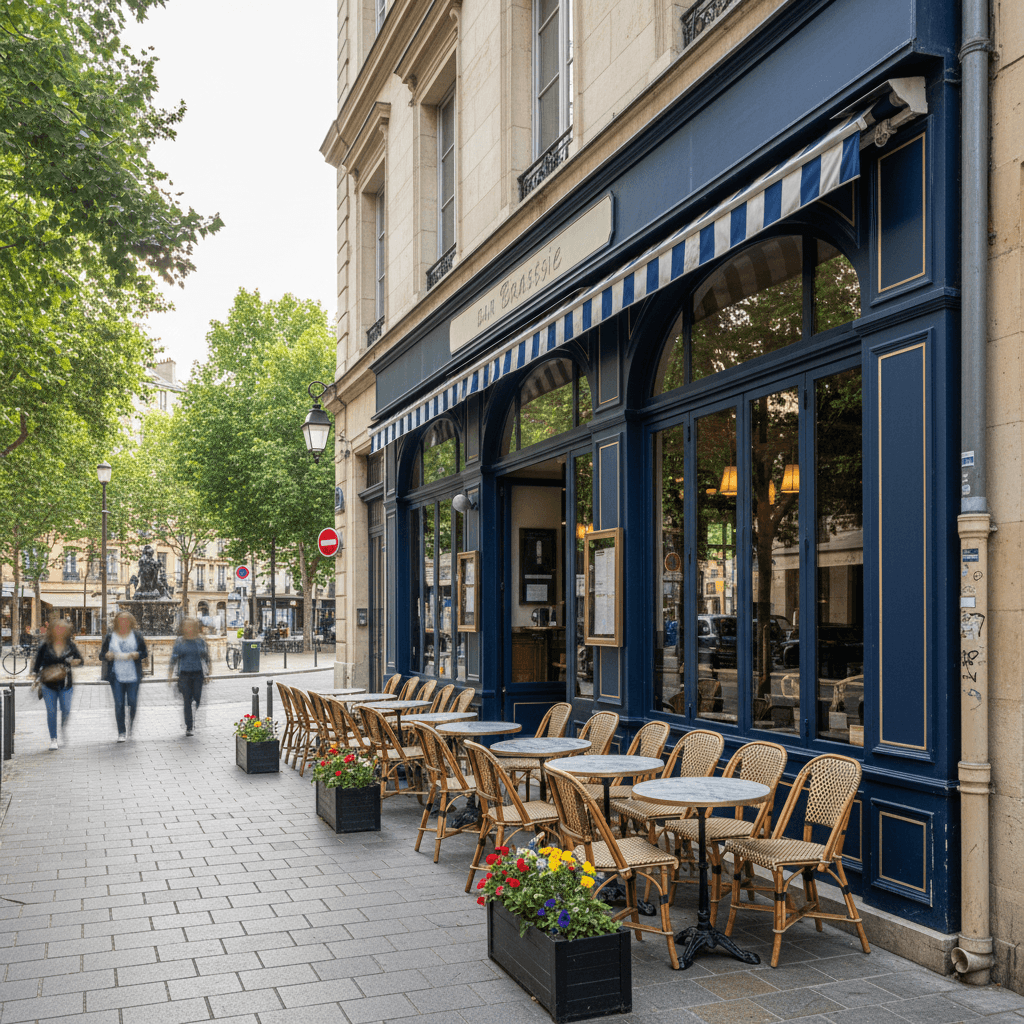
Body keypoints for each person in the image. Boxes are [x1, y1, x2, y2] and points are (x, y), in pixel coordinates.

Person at [31, 618, 82, 751]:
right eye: (57, 628)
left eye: (63, 629)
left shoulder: (70, 645)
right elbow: (37, 663)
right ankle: (53, 738)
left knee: (66, 709)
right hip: (48, 683)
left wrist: (75, 661)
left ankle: (63, 726)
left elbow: (80, 660)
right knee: (51, 711)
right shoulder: (45, 645)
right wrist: (34, 675)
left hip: (65, 683)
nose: (60, 631)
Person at [100, 611, 148, 741]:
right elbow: (101, 655)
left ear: (130, 622)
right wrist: (107, 655)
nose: (123, 623)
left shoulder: (137, 635)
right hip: (116, 675)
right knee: (119, 703)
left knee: (132, 701)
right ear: (116, 622)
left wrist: (138, 654)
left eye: (126, 620)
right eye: (120, 620)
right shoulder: (110, 636)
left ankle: (131, 723)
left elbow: (144, 652)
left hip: (133, 675)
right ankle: (121, 731)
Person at [169, 617, 210, 737]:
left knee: (197, 699)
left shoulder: (200, 641)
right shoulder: (180, 641)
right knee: (187, 701)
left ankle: (193, 713)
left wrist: (208, 672)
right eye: (187, 626)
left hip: (198, 674)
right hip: (184, 675)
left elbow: (206, 657)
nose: (189, 629)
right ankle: (189, 726)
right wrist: (170, 674)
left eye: (191, 626)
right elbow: (174, 658)